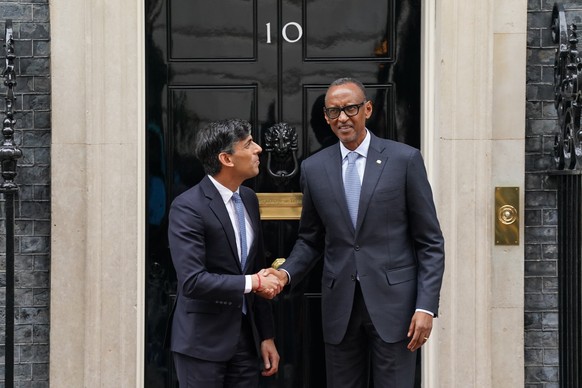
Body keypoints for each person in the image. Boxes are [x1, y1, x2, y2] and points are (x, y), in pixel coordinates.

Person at [266, 78, 445, 388]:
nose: (343, 118)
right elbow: (310, 239)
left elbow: (430, 241)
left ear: (367, 109)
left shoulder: (404, 160)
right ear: (326, 117)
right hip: (340, 307)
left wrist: (425, 306)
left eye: (350, 108)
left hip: (396, 308)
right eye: (334, 111)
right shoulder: (313, 168)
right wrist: (285, 274)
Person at [167, 118, 282, 387]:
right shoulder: (188, 207)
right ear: (226, 159)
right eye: (249, 144)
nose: (259, 149)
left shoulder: (250, 200)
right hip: (201, 342)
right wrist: (254, 282)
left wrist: (266, 336)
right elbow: (193, 281)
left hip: (244, 339)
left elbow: (257, 265)